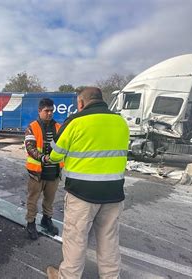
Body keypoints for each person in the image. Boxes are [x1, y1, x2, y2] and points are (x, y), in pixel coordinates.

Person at [45, 87, 129, 279]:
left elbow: (55, 154)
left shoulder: (75, 121)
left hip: (81, 194)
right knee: (109, 240)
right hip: (114, 193)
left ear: (81, 103)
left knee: (76, 239)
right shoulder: (121, 122)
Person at [24, 98, 64, 240]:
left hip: (54, 173)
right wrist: (43, 158)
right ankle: (30, 223)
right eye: (46, 111)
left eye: (51, 111)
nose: (49, 113)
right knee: (32, 199)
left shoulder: (59, 127)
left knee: (49, 200)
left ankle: (46, 220)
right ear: (39, 111)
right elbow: (30, 147)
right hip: (37, 173)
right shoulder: (32, 127)